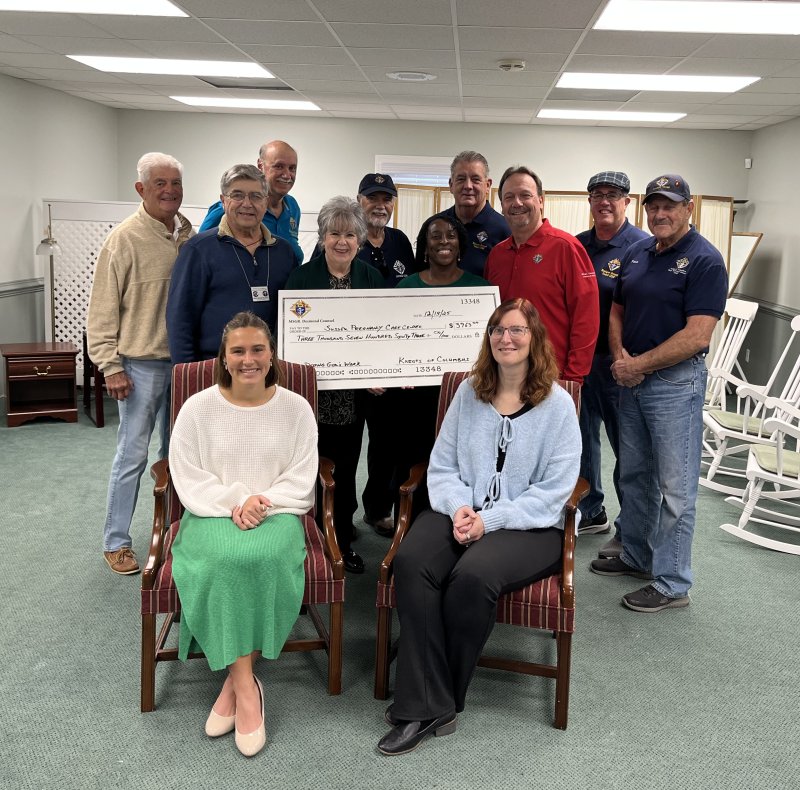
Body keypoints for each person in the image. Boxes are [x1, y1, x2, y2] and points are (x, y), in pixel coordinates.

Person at [377, 298, 581, 756]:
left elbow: (556, 490)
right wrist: (460, 510)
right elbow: (442, 465)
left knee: (473, 576)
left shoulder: (559, 405)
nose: (505, 339)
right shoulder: (469, 392)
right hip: (460, 512)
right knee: (412, 561)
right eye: (496, 330)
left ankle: (425, 704)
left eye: (516, 331)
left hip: (530, 527)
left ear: (535, 339)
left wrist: (491, 519)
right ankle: (435, 703)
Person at [169, 311, 317, 758]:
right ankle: (246, 687)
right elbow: (186, 473)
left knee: (260, 559)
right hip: (211, 513)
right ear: (224, 357)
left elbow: (302, 474)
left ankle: (235, 687)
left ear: (272, 356)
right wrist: (235, 501)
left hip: (276, 513)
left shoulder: (296, 408)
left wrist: (260, 502)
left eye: (258, 350)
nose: (248, 359)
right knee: (224, 561)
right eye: (238, 351)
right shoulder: (198, 408)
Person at [590, 174, 727, 613]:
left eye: (669, 206)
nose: (660, 214)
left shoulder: (705, 260)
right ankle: (637, 554)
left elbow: (697, 336)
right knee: (635, 474)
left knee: (675, 487)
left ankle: (672, 581)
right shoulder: (639, 251)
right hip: (631, 377)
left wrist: (638, 365)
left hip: (674, 385)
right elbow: (617, 307)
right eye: (654, 206)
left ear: (689, 208)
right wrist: (619, 356)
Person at [87, 152, 193, 575]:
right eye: (160, 184)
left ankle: (171, 533)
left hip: (183, 365)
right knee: (132, 454)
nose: (170, 191)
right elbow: (102, 310)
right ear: (141, 189)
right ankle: (116, 541)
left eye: (176, 184)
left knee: (176, 454)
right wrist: (109, 365)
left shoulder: (188, 235)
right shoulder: (124, 238)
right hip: (139, 366)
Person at [284, 196, 383, 573]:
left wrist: (378, 372)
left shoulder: (371, 278)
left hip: (354, 397)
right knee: (306, 465)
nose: (342, 241)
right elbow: (289, 336)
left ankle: (340, 537)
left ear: (360, 239)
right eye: (334, 233)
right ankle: (305, 537)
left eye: (350, 234)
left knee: (344, 466)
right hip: (310, 394)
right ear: (323, 236)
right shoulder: (302, 278)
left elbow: (380, 335)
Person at [575, 172, 649, 547]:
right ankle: (591, 511)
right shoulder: (577, 246)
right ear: (589, 201)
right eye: (597, 195)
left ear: (627, 201)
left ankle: (631, 527)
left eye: (613, 195)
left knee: (629, 448)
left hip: (621, 364)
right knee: (582, 440)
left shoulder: (643, 246)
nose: (604, 201)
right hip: (580, 362)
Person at [167, 164, 296, 362]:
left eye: (255, 196)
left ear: (266, 201)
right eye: (237, 195)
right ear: (223, 201)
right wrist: (188, 374)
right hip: (214, 368)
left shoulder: (284, 252)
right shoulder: (198, 250)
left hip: (269, 369)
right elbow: (180, 320)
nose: (247, 203)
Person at [485, 165, 599, 383]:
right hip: (504, 377)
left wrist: (573, 379)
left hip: (553, 378)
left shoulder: (566, 247)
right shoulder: (497, 255)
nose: (517, 203)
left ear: (540, 200)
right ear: (502, 206)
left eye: (525, 195)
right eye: (509, 197)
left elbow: (586, 319)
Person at [355, 172, 416, 536]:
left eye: (387, 199)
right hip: (352, 363)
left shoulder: (399, 241)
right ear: (359, 199)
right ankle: (336, 523)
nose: (380, 205)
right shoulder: (345, 237)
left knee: (387, 443)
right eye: (373, 198)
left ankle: (377, 509)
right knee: (345, 446)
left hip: (393, 363)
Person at [199, 140, 304, 265]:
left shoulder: (292, 207)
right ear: (260, 166)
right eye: (279, 166)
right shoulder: (229, 208)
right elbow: (200, 251)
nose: (287, 175)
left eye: (292, 168)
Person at [440, 151, 510, 277]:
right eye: (461, 179)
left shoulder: (505, 230)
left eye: (475, 179)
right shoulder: (435, 226)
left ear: (487, 186)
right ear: (451, 185)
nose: (468, 186)